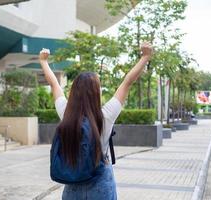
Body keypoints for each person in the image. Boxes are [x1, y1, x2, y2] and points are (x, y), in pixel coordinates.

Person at [39, 42, 153, 200]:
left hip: (73, 185)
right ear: (96, 93)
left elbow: (54, 84)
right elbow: (127, 82)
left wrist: (43, 61)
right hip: (101, 185)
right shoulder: (106, 116)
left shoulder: (66, 114)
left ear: (74, 93)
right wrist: (145, 57)